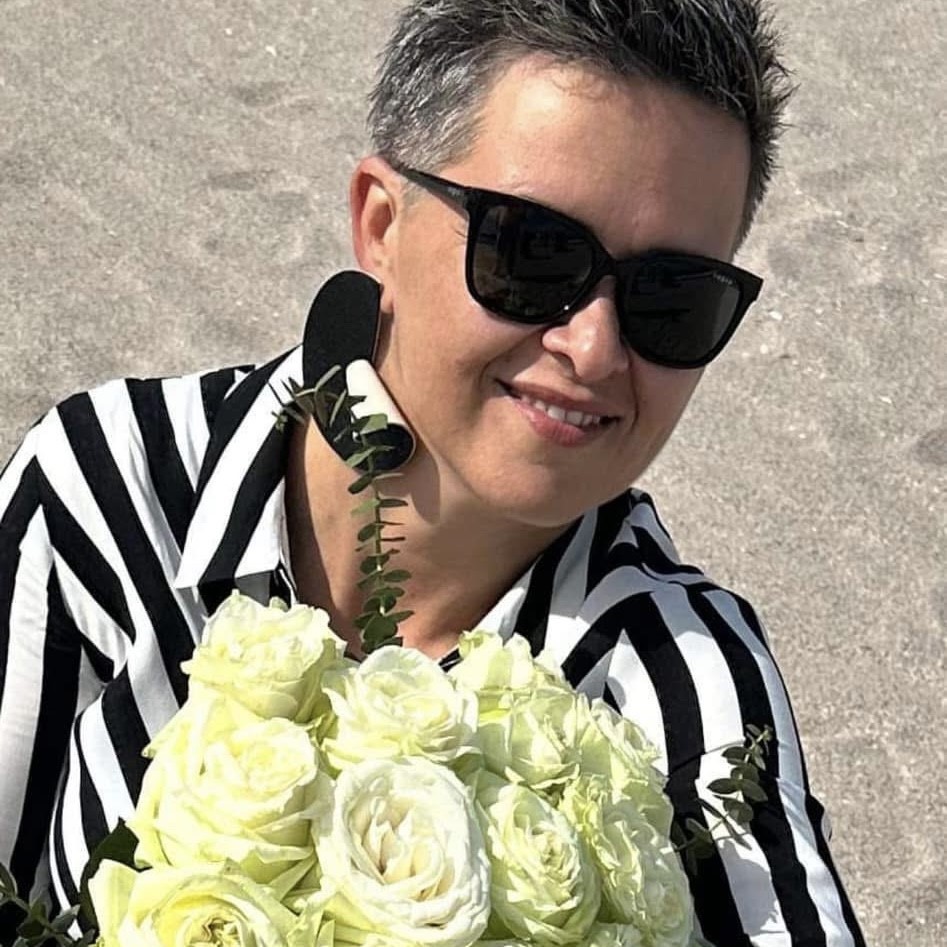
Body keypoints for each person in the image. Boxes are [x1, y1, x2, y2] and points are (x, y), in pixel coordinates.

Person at [0, 1, 866, 944]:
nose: (593, 347)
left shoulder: (677, 680)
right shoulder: (116, 488)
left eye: (673, 296)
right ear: (381, 224)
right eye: (532, 252)